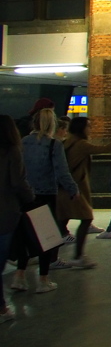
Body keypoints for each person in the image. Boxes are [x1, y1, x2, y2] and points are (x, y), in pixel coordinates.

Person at [11, 108, 78, 293]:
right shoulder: (54, 145)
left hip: (26, 196)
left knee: (26, 235)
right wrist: (73, 189)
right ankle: (43, 280)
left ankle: (19, 276)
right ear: (52, 125)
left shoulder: (24, 142)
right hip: (46, 195)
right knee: (46, 237)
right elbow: (61, 171)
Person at [54, 117, 111, 269]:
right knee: (86, 218)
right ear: (82, 128)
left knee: (62, 219)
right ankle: (78, 256)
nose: (90, 129)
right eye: (89, 126)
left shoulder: (66, 142)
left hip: (63, 188)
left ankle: (51, 256)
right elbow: (104, 149)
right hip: (74, 189)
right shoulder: (81, 144)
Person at [0, 115, 34, 323]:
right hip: (5, 213)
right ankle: (2, 309)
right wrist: (31, 199)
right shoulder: (12, 151)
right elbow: (18, 182)